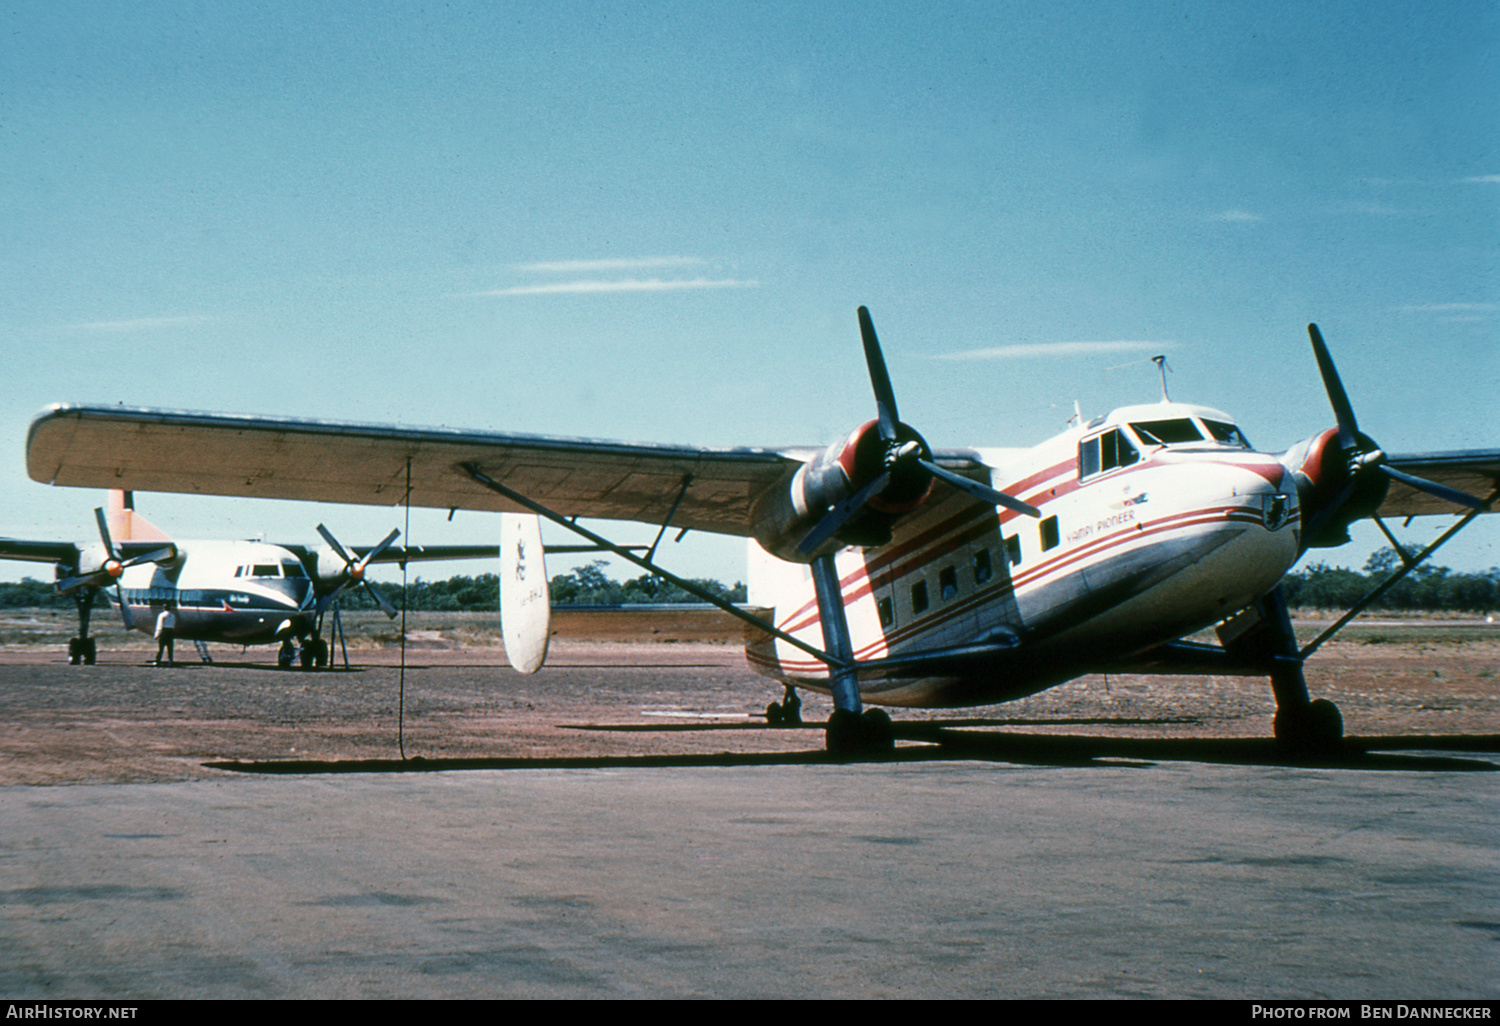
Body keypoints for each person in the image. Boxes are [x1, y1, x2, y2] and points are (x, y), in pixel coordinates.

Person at [153, 602, 177, 667]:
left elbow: (159, 625)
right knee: (170, 648)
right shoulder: (173, 615)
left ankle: (158, 661)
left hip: (164, 631)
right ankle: (170, 661)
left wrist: (157, 634)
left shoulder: (162, 615)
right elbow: (173, 624)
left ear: (164, 608)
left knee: (161, 648)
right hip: (170, 631)